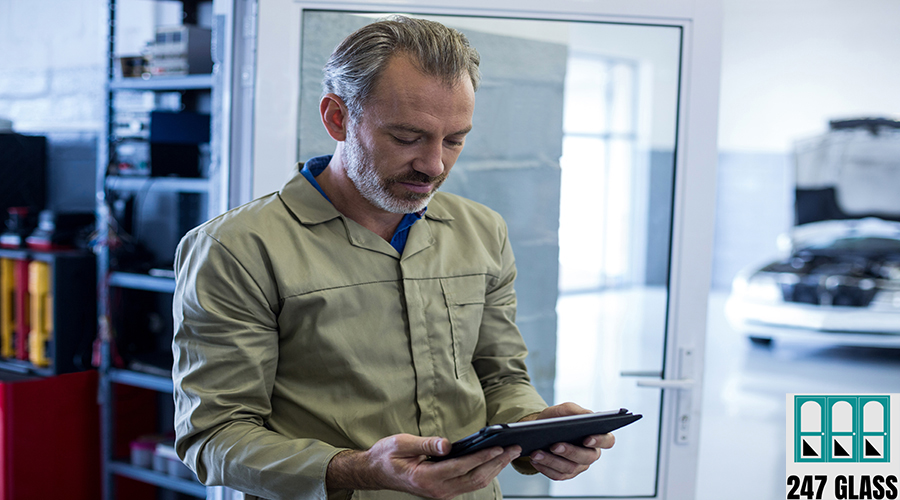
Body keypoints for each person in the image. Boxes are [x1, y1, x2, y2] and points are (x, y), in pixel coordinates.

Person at [172, 15, 614, 500]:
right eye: (407, 137)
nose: (434, 164)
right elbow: (213, 437)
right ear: (337, 118)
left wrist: (538, 430)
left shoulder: (483, 231)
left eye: (454, 139)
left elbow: (500, 376)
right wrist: (359, 469)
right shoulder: (236, 248)